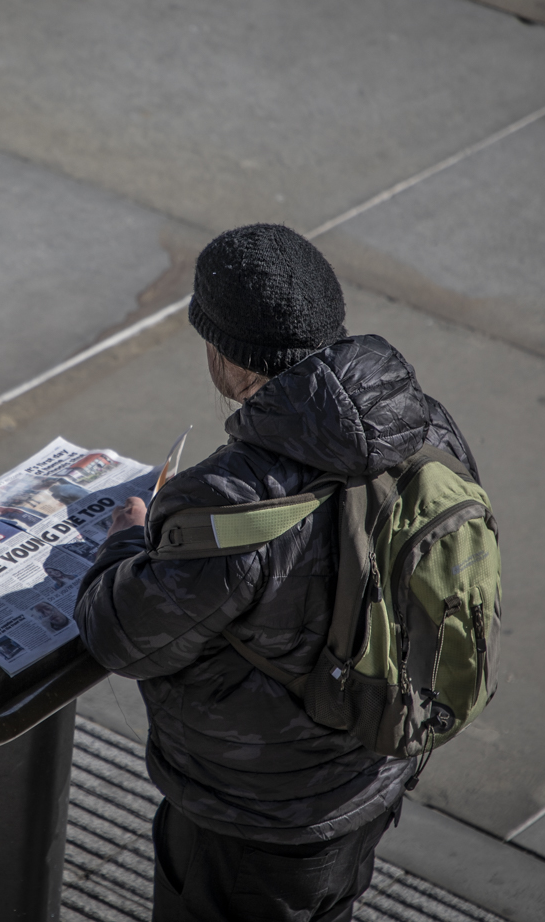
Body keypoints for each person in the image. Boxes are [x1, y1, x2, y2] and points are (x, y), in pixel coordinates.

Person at [74, 224, 479, 922]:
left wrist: (122, 543)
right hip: (376, 776)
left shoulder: (232, 500)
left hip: (254, 823)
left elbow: (119, 636)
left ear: (231, 360)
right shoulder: (427, 428)